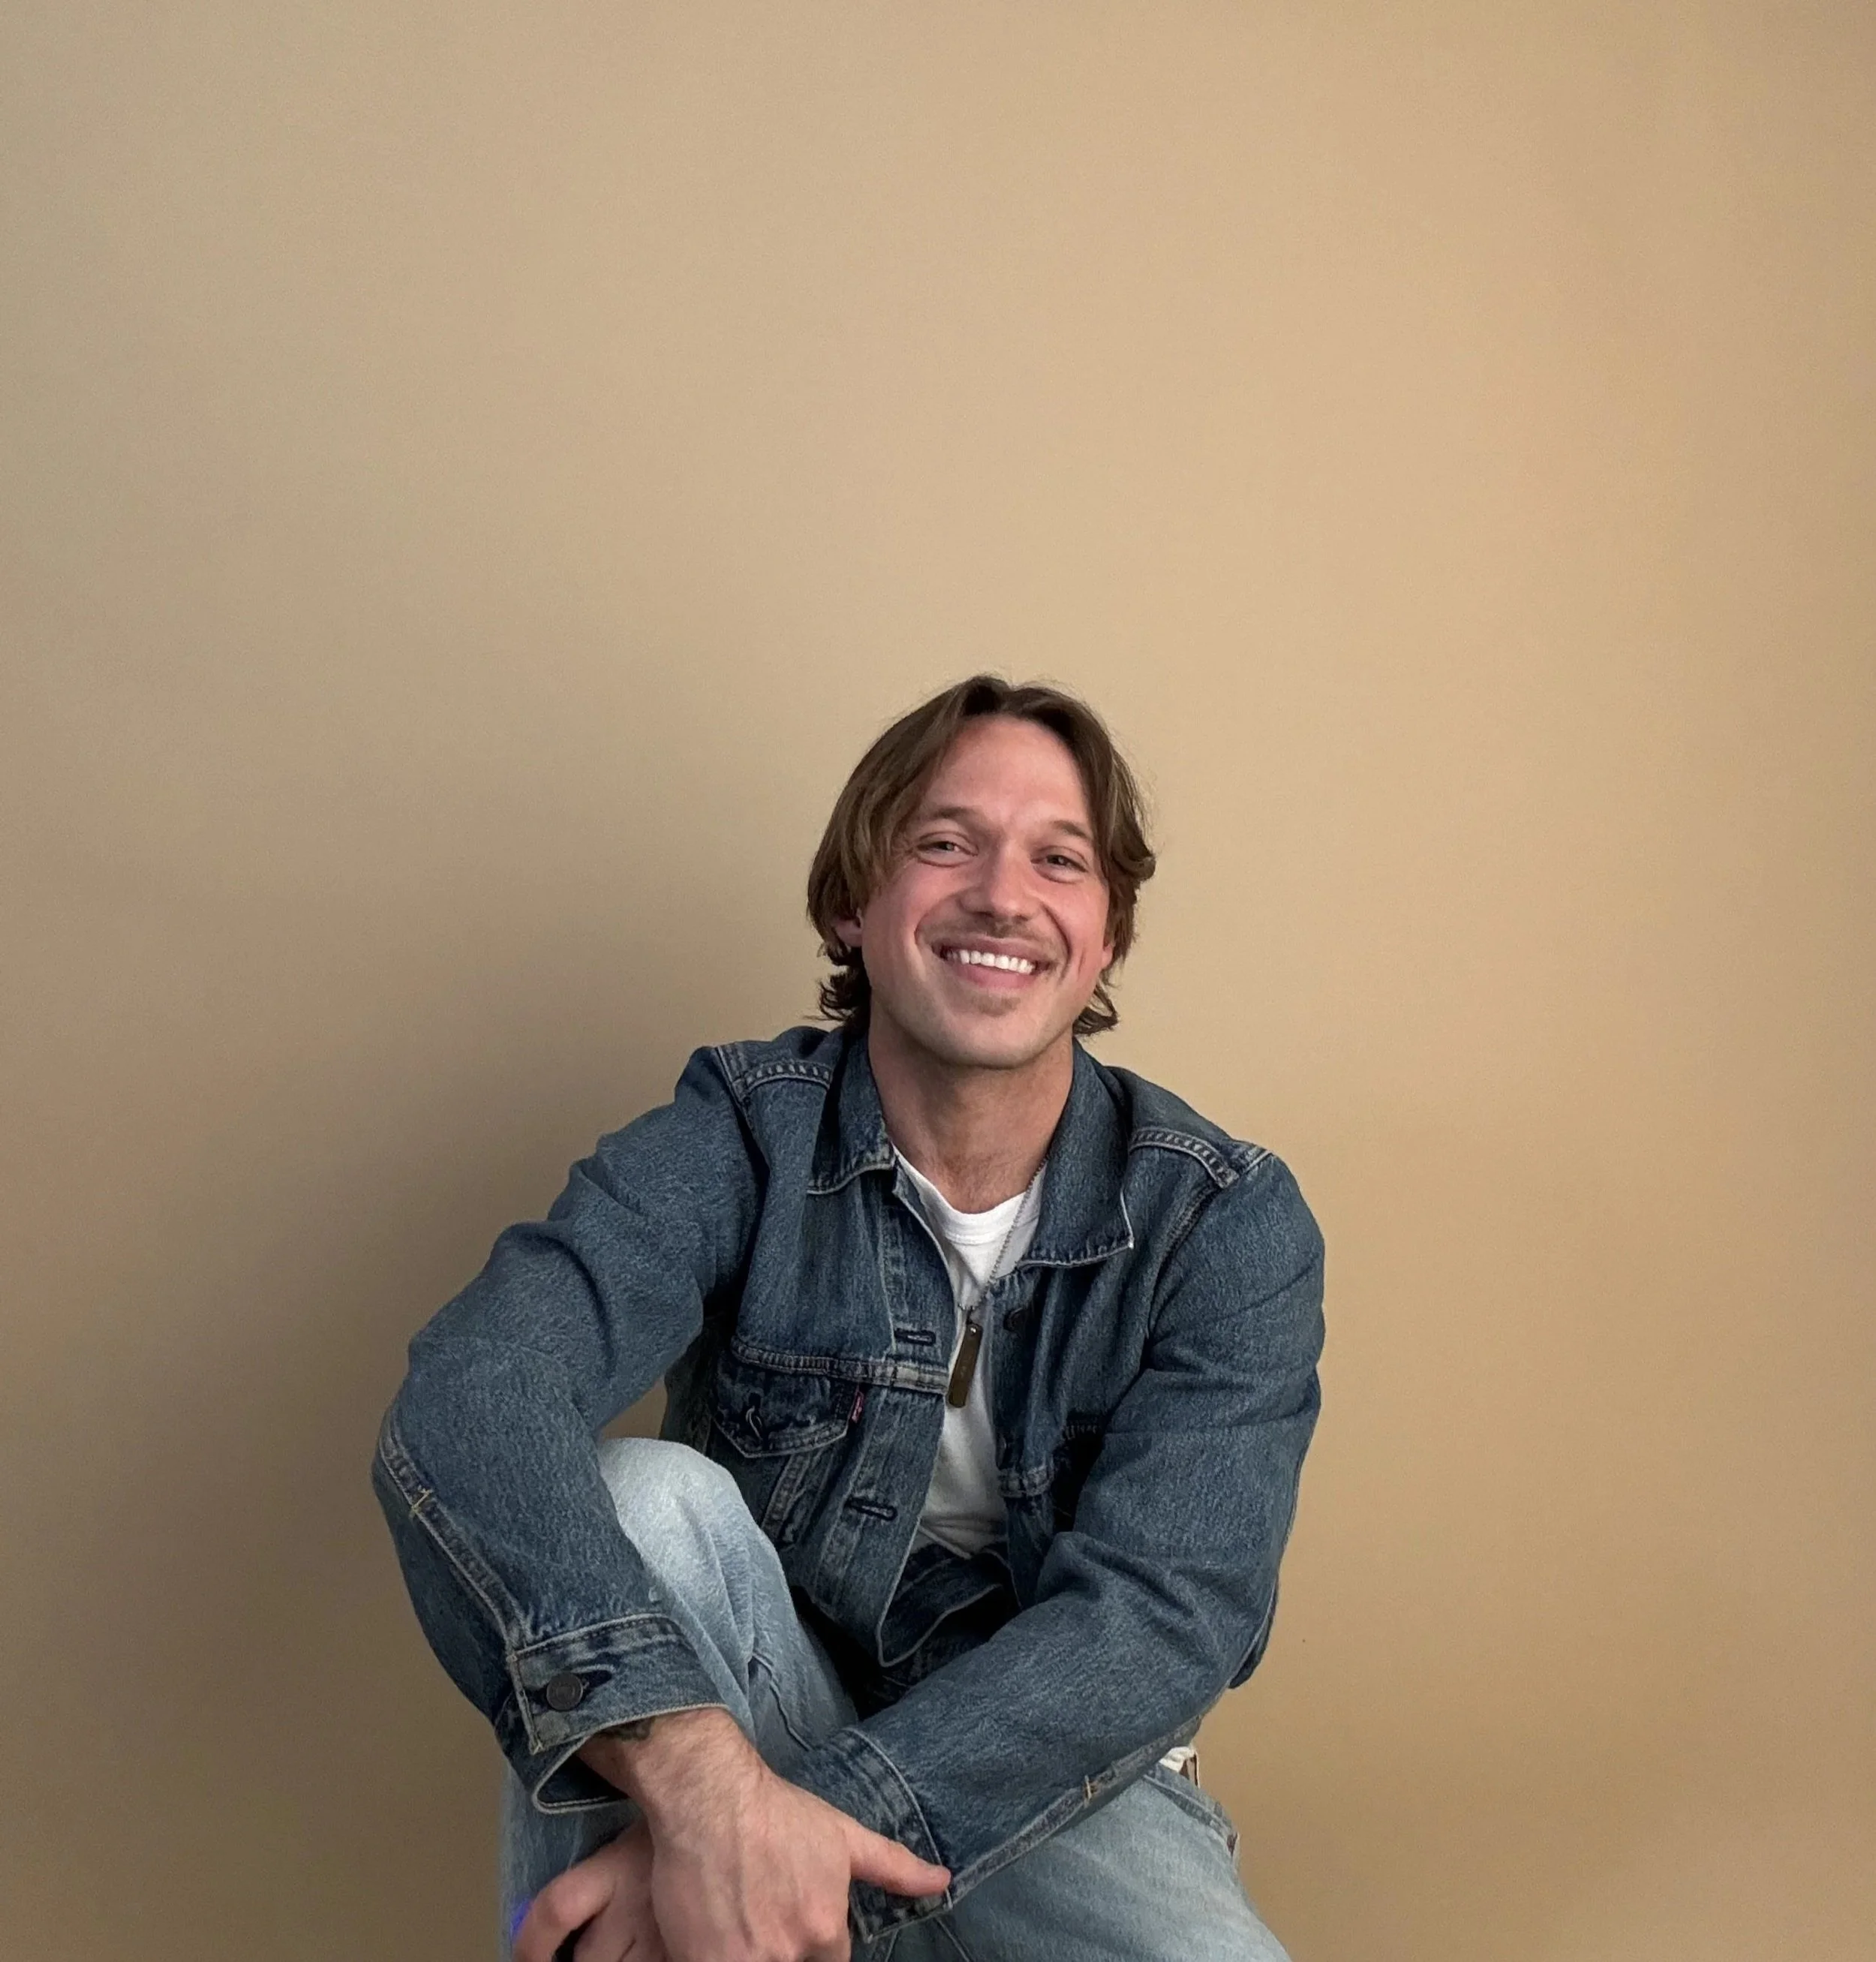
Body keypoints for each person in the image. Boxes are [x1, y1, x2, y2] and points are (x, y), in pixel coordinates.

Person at [373, 676, 1325, 1961]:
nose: (1002, 893)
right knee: (647, 1499)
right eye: (945, 843)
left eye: (1060, 859)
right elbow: (477, 1389)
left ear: (1106, 939)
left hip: (1059, 1779)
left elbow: (1163, 1617)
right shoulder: (742, 1132)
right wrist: (709, 1785)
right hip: (752, 1704)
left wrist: (777, 1843)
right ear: (852, 902)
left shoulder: (1225, 1219)